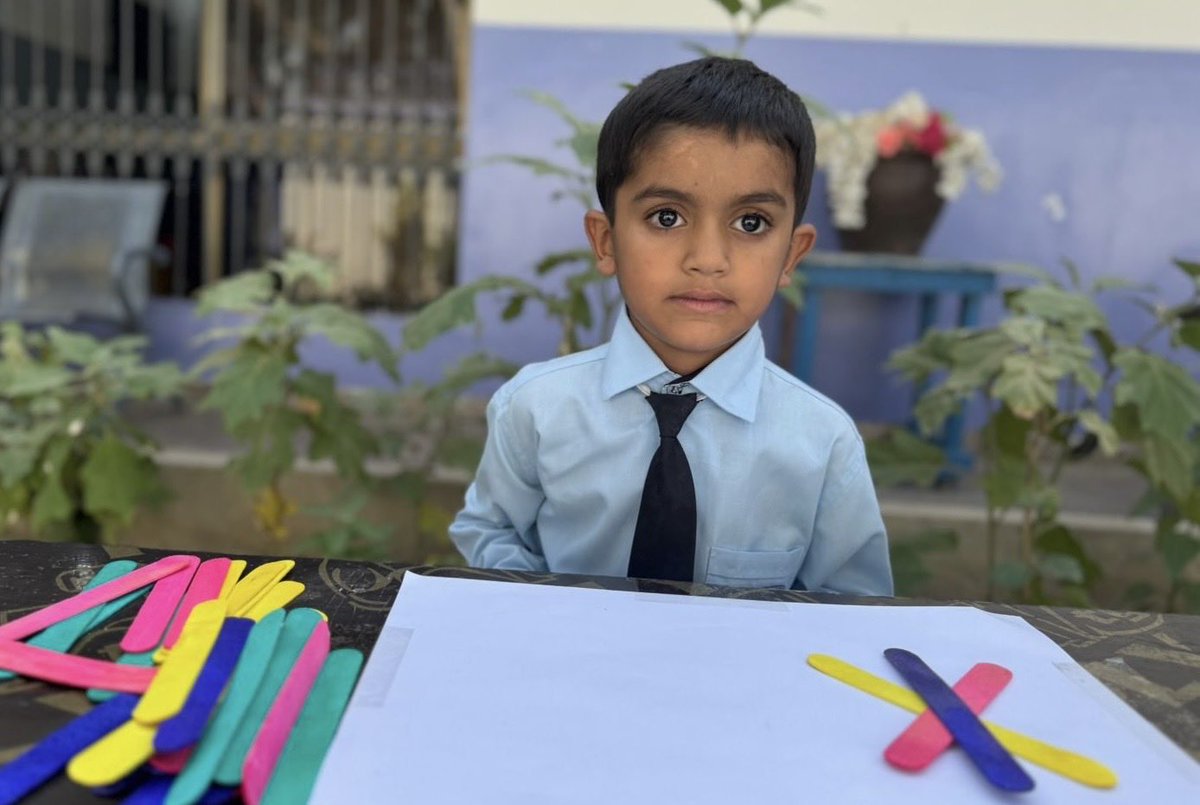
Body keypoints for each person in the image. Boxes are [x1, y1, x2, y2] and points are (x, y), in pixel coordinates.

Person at [449, 56, 892, 594]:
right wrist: (548, 609)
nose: (707, 259)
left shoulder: (822, 444)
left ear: (791, 257)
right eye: (667, 217)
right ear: (606, 241)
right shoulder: (536, 408)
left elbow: (855, 607)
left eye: (751, 223)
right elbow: (489, 528)